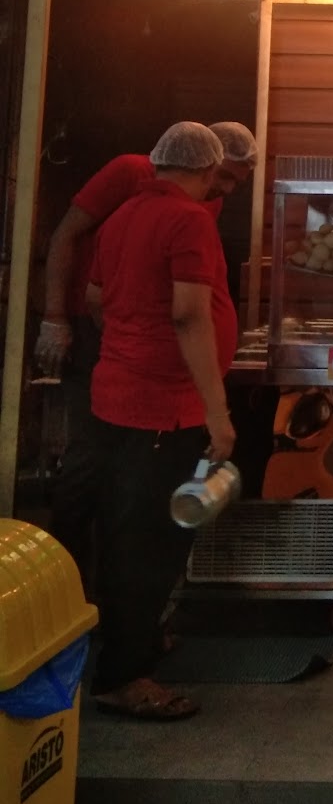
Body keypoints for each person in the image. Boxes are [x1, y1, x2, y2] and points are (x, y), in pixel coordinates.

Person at [35, 121, 257, 581]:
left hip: (151, 360)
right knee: (91, 461)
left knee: (134, 481)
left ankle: (117, 585)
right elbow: (66, 238)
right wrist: (56, 318)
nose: (225, 188)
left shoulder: (201, 203)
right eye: (224, 175)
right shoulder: (130, 175)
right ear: (207, 159)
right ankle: (66, 575)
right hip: (107, 341)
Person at [87, 122, 240, 721]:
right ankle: (123, 677)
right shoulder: (188, 220)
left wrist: (129, 348)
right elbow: (187, 316)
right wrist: (216, 412)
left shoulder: (121, 217)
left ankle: (137, 643)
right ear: (207, 170)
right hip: (163, 408)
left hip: (114, 398)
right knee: (151, 543)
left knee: (125, 532)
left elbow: (97, 299)